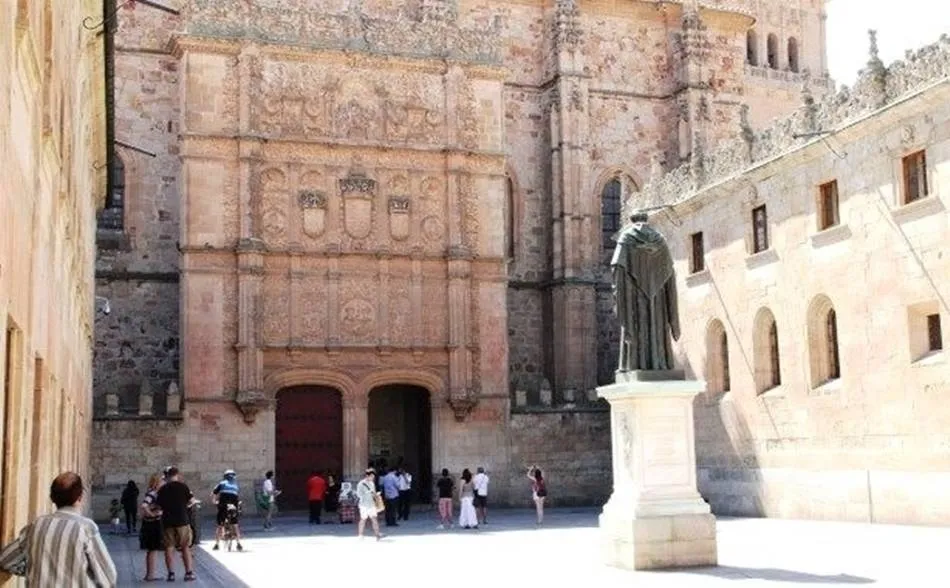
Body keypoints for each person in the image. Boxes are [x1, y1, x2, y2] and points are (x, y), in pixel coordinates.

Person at [0, 472, 117, 587]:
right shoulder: (86, 528)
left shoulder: (36, 526)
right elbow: (108, 576)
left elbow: (5, 559)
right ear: (80, 497)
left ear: (52, 498)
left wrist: (31, 570)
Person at [156, 466, 197, 582]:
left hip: (168, 521)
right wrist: (185, 506)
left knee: (169, 548)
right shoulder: (183, 486)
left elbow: (159, 505)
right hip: (182, 520)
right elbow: (192, 501)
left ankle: (171, 574)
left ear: (166, 476)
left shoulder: (163, 489)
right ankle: (189, 573)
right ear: (177, 474)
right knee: (185, 547)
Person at [139, 473, 165, 582]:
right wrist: (152, 514)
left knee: (152, 550)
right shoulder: (153, 493)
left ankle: (150, 574)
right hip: (153, 524)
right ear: (158, 482)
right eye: (162, 481)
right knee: (153, 550)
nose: (164, 483)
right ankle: (150, 575)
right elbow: (144, 505)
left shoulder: (152, 492)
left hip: (151, 523)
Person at [211, 469, 243, 551]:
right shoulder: (235, 485)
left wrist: (214, 501)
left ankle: (216, 544)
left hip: (223, 506)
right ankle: (238, 543)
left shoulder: (222, 483)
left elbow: (214, 493)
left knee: (220, 525)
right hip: (233, 507)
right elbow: (236, 497)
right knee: (235, 525)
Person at [355, 469, 383, 541]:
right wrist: (367, 492)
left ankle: (377, 535)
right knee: (363, 519)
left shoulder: (372, 483)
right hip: (364, 505)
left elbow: (373, 493)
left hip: (371, 504)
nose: (373, 478)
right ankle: (360, 535)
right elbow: (358, 494)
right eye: (372, 476)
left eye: (373, 477)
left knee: (374, 519)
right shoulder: (361, 484)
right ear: (367, 475)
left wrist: (376, 494)